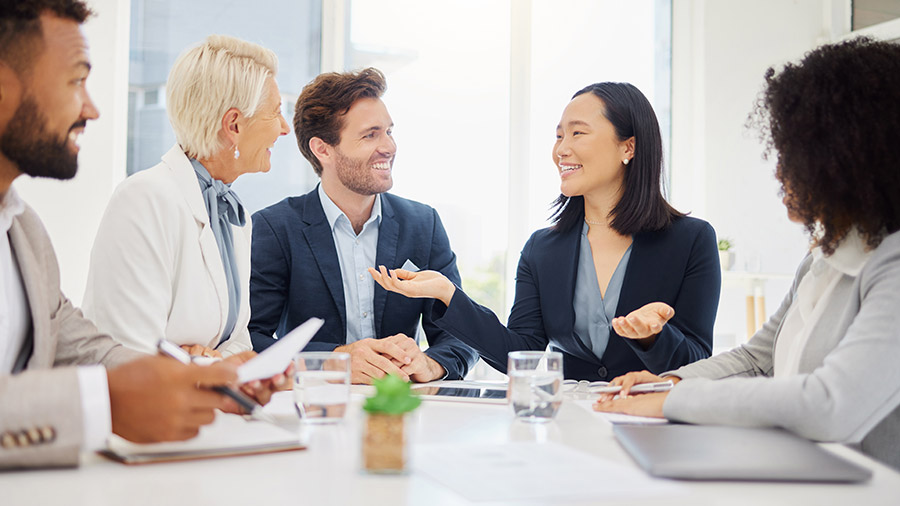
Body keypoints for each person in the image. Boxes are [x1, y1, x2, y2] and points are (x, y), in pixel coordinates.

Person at [593, 38, 900, 471]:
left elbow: (831, 404)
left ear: (852, 161)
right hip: (803, 475)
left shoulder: (893, 266)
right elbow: (757, 360)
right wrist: (666, 382)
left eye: (794, 158)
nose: (780, 173)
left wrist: (675, 400)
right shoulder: (822, 259)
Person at [0, 0, 242, 469]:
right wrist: (100, 404)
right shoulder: (146, 196)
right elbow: (98, 387)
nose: (91, 108)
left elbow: (84, 350)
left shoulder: (23, 230)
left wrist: (200, 380)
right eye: (75, 80)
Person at [371, 82, 720, 381]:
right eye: (558, 136)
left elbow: (697, 363)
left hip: (653, 426)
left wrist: (654, 336)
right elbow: (519, 352)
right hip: (569, 427)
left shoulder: (691, 241)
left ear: (628, 147)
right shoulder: (543, 248)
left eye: (578, 133)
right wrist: (449, 295)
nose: (560, 149)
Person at [249, 68, 477, 384]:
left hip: (400, 407)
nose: (389, 147)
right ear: (323, 149)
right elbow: (250, 338)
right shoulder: (275, 228)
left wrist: (431, 364)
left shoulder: (423, 225)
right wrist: (333, 361)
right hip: (316, 409)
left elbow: (463, 334)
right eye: (370, 135)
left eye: (389, 131)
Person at [82, 35, 290, 359]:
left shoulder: (234, 215)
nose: (284, 128)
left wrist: (208, 361)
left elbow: (238, 344)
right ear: (233, 125)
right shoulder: (143, 199)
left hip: (208, 408)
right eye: (276, 113)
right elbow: (128, 356)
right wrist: (207, 365)